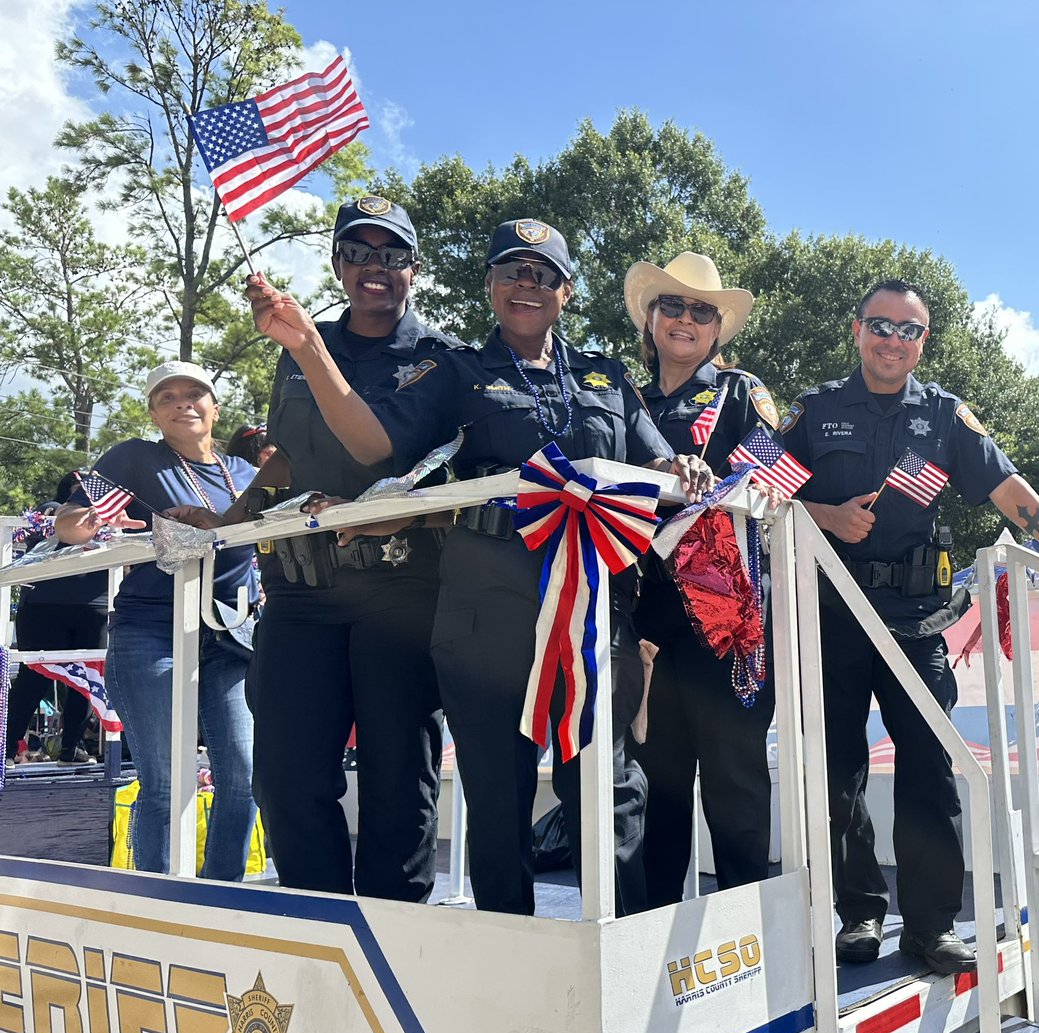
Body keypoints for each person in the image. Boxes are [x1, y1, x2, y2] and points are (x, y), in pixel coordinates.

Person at [244, 217, 715, 917]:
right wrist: (309, 346)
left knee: (608, 789)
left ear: (566, 290)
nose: (527, 285)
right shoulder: (453, 371)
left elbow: (649, 460)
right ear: (489, 285)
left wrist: (680, 465)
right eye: (511, 272)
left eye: (543, 273)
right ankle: (508, 951)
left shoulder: (604, 374)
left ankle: (623, 952)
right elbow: (377, 446)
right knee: (498, 796)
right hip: (484, 610)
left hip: (592, 609)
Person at [782, 278, 1039, 974]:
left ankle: (930, 926)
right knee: (836, 776)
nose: (892, 340)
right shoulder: (814, 411)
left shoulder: (943, 417)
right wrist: (825, 516)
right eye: (880, 325)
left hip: (915, 619)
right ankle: (861, 915)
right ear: (856, 330)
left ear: (922, 342)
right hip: (833, 613)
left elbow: (1008, 489)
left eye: (907, 330)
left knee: (930, 775)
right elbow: (756, 481)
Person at [168, 196, 460, 903]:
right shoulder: (301, 347)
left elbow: (376, 447)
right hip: (301, 594)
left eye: (391, 255)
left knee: (398, 780)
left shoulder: (438, 359)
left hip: (399, 593)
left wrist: (306, 346)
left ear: (413, 271)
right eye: (357, 253)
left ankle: (394, 934)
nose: (374, 269)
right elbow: (285, 460)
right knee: (287, 776)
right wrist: (229, 518)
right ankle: (317, 926)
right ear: (336, 263)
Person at [54, 362, 259, 879]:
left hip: (231, 636)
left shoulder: (247, 475)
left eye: (195, 394)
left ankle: (223, 896)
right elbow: (70, 522)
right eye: (167, 397)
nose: (182, 404)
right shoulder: (135, 457)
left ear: (215, 407)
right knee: (167, 779)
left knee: (245, 774)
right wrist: (83, 523)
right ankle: (161, 899)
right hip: (152, 632)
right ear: (153, 411)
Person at [622, 251, 779, 906]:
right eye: (673, 305)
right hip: (641, 608)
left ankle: (748, 932)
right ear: (651, 317)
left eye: (701, 310)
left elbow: (778, 473)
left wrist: (707, 484)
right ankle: (651, 936)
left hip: (725, 611)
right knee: (654, 787)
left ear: (717, 329)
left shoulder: (741, 391)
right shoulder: (621, 398)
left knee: (734, 780)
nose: (684, 318)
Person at [5, 474, 108, 766]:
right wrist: (62, 513)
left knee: (86, 681)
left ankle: (71, 748)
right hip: (44, 606)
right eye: (81, 493)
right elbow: (49, 516)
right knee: (34, 680)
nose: (89, 498)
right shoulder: (52, 511)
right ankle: (8, 747)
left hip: (95, 606)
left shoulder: (112, 517)